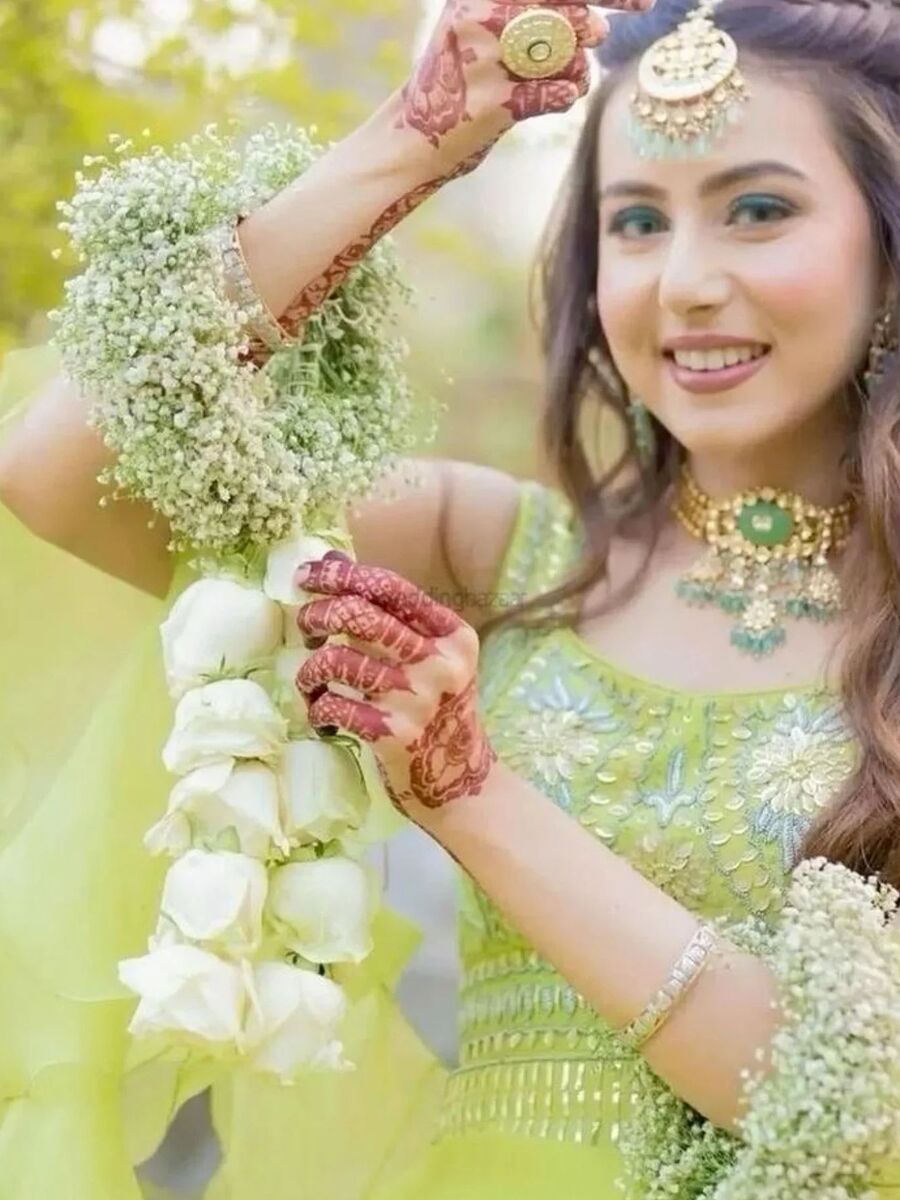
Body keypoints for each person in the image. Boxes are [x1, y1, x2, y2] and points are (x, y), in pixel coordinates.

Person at [2, 0, 900, 1196]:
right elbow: (63, 472)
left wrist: (468, 794)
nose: (684, 282)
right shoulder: (504, 557)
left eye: (759, 210)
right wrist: (413, 142)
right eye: (634, 224)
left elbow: (852, 1106)